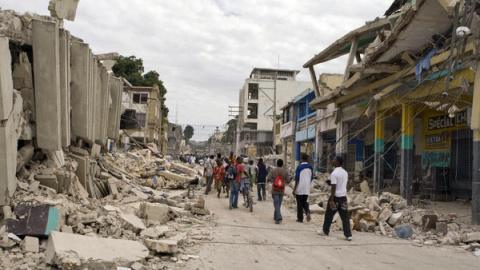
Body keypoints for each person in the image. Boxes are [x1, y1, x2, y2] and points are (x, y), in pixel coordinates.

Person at [317, 156, 352, 241]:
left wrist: (332, 199)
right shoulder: (345, 172)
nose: (332, 161)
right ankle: (348, 235)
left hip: (335, 197)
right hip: (343, 197)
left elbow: (333, 188)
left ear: (338, 162)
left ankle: (325, 230)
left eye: (334, 160)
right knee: (345, 217)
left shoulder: (334, 173)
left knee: (329, 215)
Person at [266, 159, 290, 224]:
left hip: (275, 189)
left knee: (276, 203)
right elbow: (288, 180)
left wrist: (268, 182)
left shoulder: (273, 170)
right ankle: (275, 216)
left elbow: (268, 178)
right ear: (282, 164)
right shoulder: (285, 171)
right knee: (278, 204)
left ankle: (278, 217)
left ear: (277, 164)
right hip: (281, 190)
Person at [293, 153, 314, 223]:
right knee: (305, 201)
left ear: (301, 159)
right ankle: (307, 212)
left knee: (299, 203)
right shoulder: (310, 167)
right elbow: (311, 178)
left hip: (300, 187)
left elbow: (297, 179)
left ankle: (300, 218)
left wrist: (294, 189)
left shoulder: (299, 167)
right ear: (307, 159)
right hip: (307, 187)